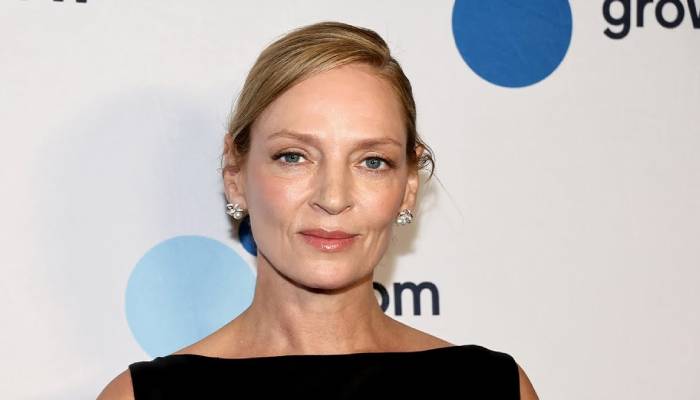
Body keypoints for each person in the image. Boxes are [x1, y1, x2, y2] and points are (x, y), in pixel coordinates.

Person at [98, 20, 539, 399]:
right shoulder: (140, 396)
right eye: (294, 156)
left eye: (372, 162)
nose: (332, 197)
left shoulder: (493, 387)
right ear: (235, 175)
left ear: (408, 188)